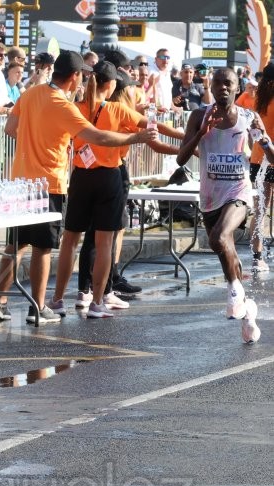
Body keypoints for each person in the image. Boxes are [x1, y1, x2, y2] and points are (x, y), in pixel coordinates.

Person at [0, 51, 156, 324]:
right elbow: (96, 136)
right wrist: (136, 137)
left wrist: (34, 139)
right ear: (75, 76)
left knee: (15, 244)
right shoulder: (62, 105)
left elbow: (10, 128)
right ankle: (38, 307)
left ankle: (0, 301)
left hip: (20, 178)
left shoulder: (31, 93)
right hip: (48, 180)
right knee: (42, 248)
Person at [49, 62, 173, 318]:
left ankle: (58, 299)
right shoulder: (118, 110)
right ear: (112, 85)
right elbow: (155, 126)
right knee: (104, 243)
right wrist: (189, 139)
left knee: (70, 241)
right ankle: (97, 302)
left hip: (81, 177)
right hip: (109, 177)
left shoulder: (76, 107)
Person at [176, 67, 266, 343]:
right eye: (218, 83)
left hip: (238, 192)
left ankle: (235, 294)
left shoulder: (249, 117)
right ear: (211, 87)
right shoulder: (199, 115)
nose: (223, 88)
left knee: (220, 237)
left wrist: (262, 137)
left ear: (238, 88)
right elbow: (181, 159)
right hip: (210, 197)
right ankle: (248, 312)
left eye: (228, 84)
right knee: (223, 249)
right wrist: (202, 132)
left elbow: (271, 157)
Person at [251, 63, 274, 273]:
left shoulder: (258, 99)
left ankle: (257, 257)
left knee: (260, 210)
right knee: (261, 210)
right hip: (270, 158)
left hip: (258, 160)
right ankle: (258, 257)